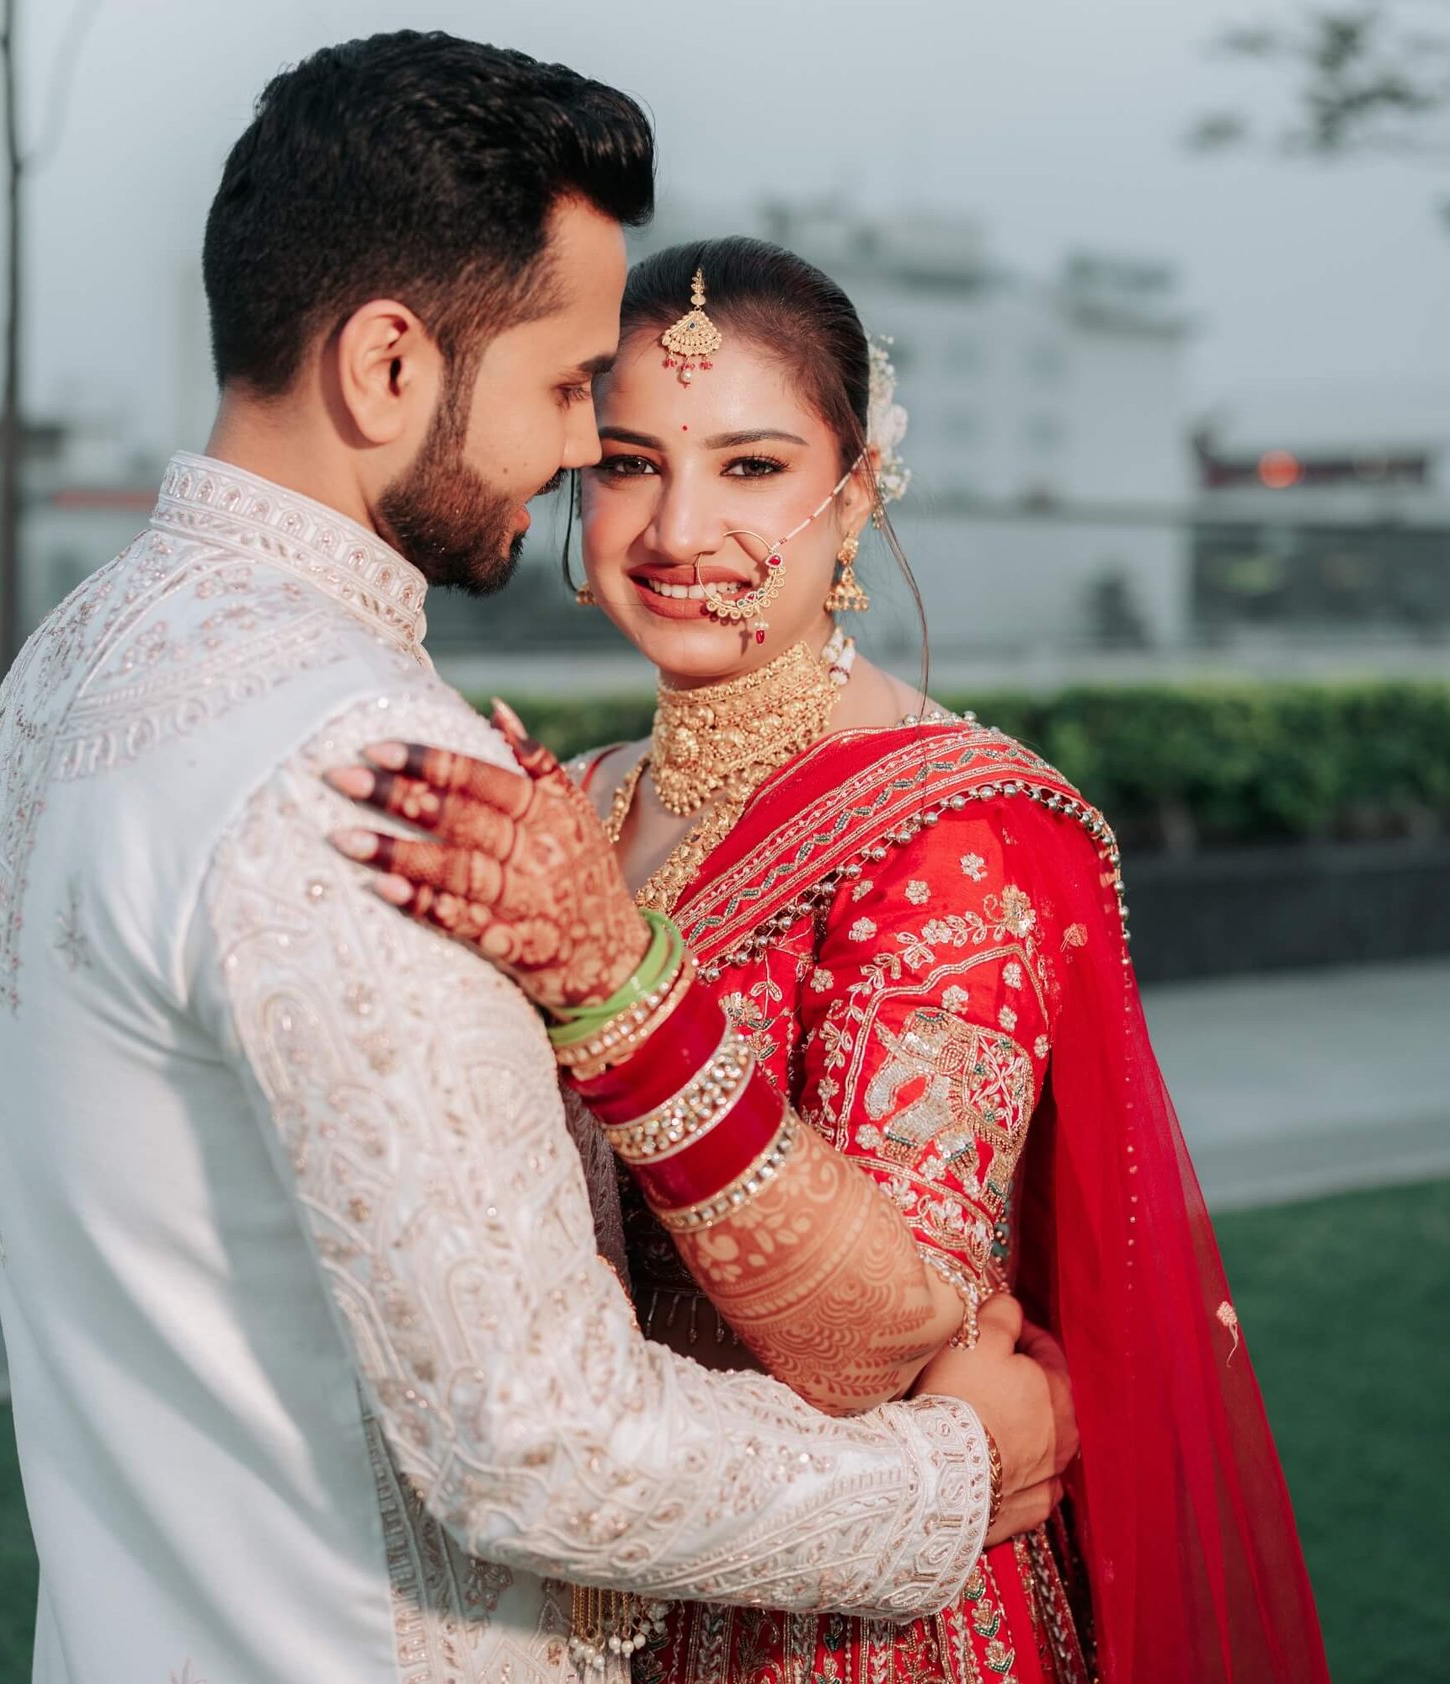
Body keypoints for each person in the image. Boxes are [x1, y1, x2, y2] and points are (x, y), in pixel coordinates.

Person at [0, 38, 1073, 1684]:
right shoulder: (382, 772)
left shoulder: (71, 664)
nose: (585, 468)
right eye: (581, 405)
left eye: (751, 465)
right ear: (389, 366)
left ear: (855, 493)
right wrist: (958, 1475)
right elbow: (536, 1444)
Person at [330, 237, 1332, 1683]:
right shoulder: (589, 801)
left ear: (854, 494)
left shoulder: (949, 828)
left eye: (751, 469)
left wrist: (617, 985)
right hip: (596, 1561)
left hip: (853, 1619)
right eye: (627, 462)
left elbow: (879, 1344)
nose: (679, 529)